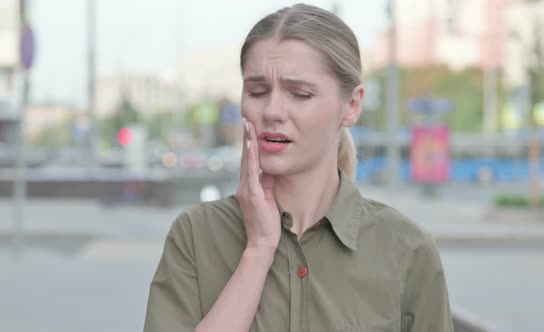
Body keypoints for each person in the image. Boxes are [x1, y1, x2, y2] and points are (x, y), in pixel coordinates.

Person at [144, 3, 453, 332]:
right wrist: (258, 250)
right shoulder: (195, 236)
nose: (272, 110)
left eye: (300, 94)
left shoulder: (406, 249)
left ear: (351, 105)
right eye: (257, 91)